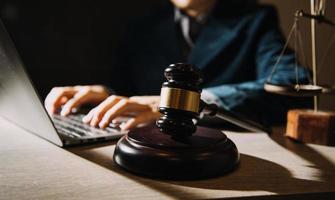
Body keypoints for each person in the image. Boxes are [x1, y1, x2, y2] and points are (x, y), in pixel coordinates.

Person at [44, 0, 311, 131]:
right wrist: (102, 93)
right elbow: (127, 90)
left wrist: (182, 102)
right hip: (142, 144)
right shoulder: (144, 26)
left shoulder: (256, 19)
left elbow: (289, 86)